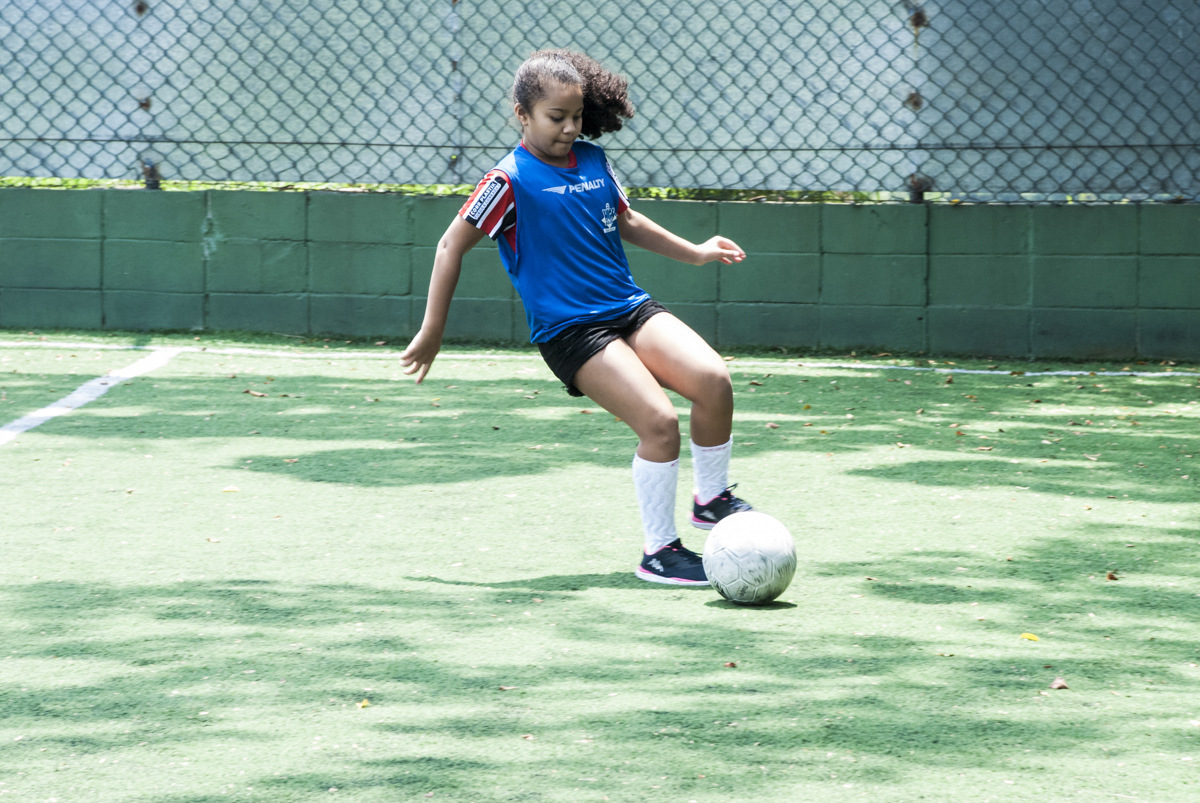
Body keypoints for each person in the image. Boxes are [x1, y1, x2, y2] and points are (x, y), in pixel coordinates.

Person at [399, 49, 752, 586]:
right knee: (659, 424)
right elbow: (450, 246)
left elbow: (627, 222)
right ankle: (660, 552)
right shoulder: (507, 181)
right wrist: (432, 331)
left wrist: (697, 252)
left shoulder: (592, 160)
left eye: (576, 116)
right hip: (572, 331)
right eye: (555, 117)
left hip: (628, 308)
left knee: (713, 380)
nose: (569, 128)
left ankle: (711, 499)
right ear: (522, 114)